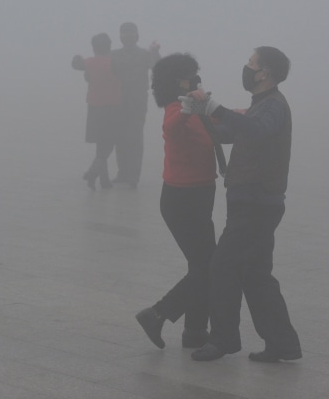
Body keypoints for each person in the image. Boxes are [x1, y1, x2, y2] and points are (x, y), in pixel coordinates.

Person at [181, 46, 302, 363]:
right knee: (257, 274)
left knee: (222, 267)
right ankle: (282, 343)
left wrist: (215, 108)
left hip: (257, 202)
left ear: (265, 73)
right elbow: (229, 132)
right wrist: (199, 114)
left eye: (251, 64)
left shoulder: (273, 106)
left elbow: (256, 130)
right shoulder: (261, 104)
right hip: (253, 200)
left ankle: (223, 339)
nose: (246, 69)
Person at [135, 53, 218, 350]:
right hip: (182, 200)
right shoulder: (176, 109)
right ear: (175, 82)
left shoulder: (195, 108)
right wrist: (187, 105)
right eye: (188, 76)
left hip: (200, 195)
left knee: (203, 265)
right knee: (208, 265)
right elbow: (171, 127)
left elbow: (222, 120)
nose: (194, 80)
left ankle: (195, 331)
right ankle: (157, 314)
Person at [110, 22, 161, 188]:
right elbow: (100, 71)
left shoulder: (144, 54)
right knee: (119, 138)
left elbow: (158, 67)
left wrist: (155, 52)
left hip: (137, 103)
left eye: (130, 33)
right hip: (116, 103)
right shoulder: (113, 55)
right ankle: (123, 173)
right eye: (124, 33)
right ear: (120, 36)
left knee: (135, 139)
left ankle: (133, 177)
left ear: (137, 36)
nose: (127, 36)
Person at [71, 33, 120, 190]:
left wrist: (77, 57)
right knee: (108, 145)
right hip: (112, 107)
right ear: (109, 46)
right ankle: (93, 173)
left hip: (93, 107)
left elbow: (76, 64)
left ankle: (104, 180)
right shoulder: (113, 63)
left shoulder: (89, 63)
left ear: (93, 48)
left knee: (101, 144)